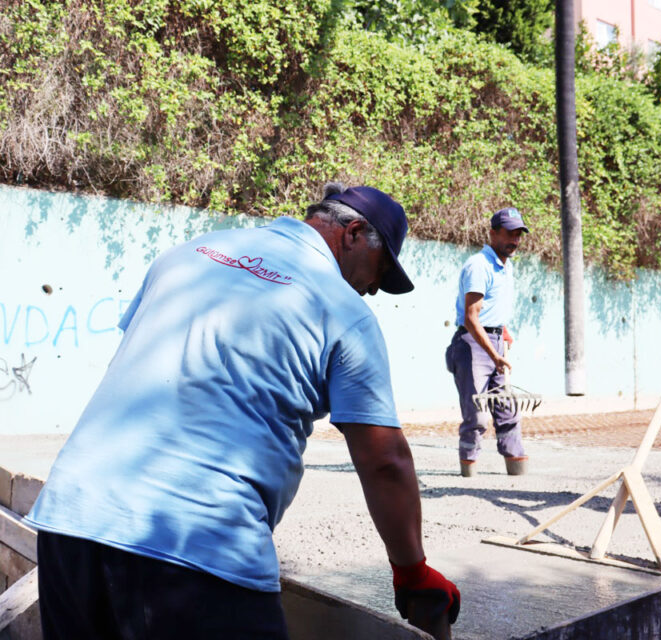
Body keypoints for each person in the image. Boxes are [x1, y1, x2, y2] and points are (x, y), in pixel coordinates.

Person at [25, 183, 460, 639]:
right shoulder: (344, 310)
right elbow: (384, 460)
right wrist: (412, 573)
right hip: (195, 545)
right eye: (379, 271)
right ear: (352, 233)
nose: (372, 290)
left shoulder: (192, 252)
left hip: (71, 523)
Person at [445, 207, 530, 478]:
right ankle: (468, 470)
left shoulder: (506, 266)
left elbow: (494, 309)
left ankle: (516, 466)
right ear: (492, 233)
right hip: (472, 343)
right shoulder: (478, 266)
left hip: (494, 341)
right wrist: (494, 354)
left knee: (506, 406)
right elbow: (471, 317)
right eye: (509, 233)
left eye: (518, 234)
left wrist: (502, 333)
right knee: (478, 413)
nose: (514, 240)